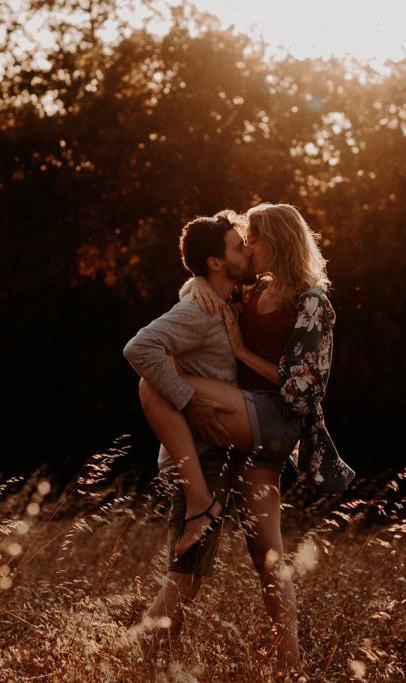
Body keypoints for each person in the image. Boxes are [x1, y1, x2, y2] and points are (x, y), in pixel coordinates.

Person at [127, 203, 354, 675]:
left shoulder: (311, 301)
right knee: (266, 551)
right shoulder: (257, 288)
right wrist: (194, 285)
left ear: (278, 242)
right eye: (243, 241)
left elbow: (302, 391)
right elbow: (212, 277)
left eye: (255, 240)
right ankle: (289, 665)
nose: (248, 247)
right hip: (244, 421)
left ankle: (201, 500)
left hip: (274, 418)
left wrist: (239, 352)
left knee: (154, 385)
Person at [123, 211, 256, 659]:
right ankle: (138, 656)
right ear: (216, 262)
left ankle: (154, 656)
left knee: (192, 575)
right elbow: (139, 348)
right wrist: (187, 399)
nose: (246, 252)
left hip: (215, 451)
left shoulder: (222, 300)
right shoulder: (197, 310)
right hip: (195, 456)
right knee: (186, 575)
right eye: (238, 247)